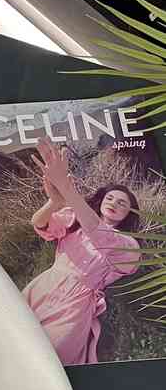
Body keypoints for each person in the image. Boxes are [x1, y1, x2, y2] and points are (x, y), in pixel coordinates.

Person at [22, 138, 142, 366]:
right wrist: (54, 201)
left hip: (75, 305)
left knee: (51, 356)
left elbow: (98, 232)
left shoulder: (128, 246)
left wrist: (67, 188)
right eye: (110, 198)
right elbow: (39, 224)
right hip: (44, 286)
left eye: (122, 203)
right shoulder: (74, 218)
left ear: (129, 213)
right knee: (13, 340)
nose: (114, 203)